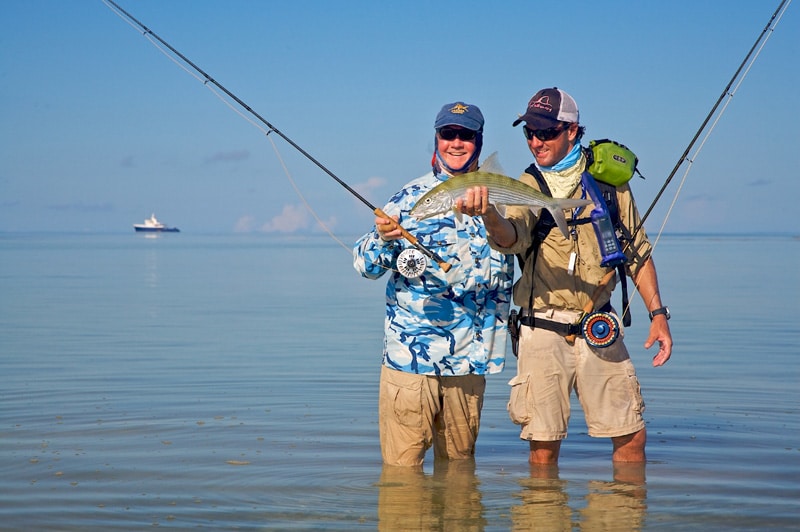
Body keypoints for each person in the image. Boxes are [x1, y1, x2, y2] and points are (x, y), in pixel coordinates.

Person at [458, 87, 672, 465]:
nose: (536, 142)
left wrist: (658, 315)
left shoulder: (609, 184)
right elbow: (509, 239)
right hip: (540, 326)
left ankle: (620, 520)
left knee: (631, 436)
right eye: (529, 133)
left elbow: (637, 252)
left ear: (572, 130)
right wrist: (490, 215)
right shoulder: (523, 187)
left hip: (598, 321)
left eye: (546, 133)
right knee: (542, 446)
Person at [353, 101, 514, 467]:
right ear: (436, 139)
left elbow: (520, 249)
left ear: (480, 141)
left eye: (466, 136)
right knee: (401, 482)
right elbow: (363, 264)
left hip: (471, 365)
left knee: (460, 479)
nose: (456, 143)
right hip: (410, 365)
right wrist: (384, 238)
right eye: (448, 134)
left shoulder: (503, 198)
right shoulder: (409, 198)